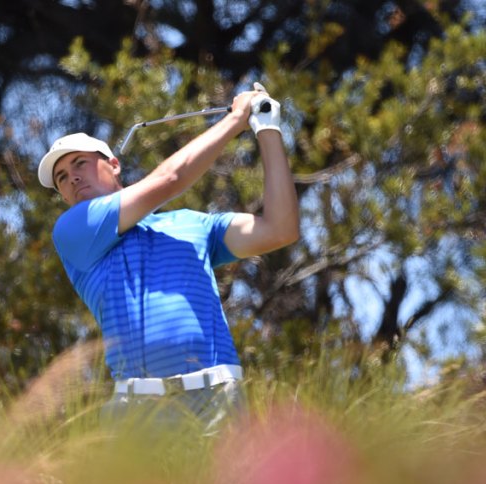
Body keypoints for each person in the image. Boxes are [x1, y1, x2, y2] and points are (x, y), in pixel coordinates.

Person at [37, 83, 299, 432]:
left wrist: (266, 128)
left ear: (114, 165)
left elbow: (280, 228)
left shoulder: (193, 224)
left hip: (218, 400)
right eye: (62, 178)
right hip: (137, 411)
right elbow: (170, 179)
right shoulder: (73, 232)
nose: (72, 179)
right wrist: (236, 120)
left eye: (80, 164)